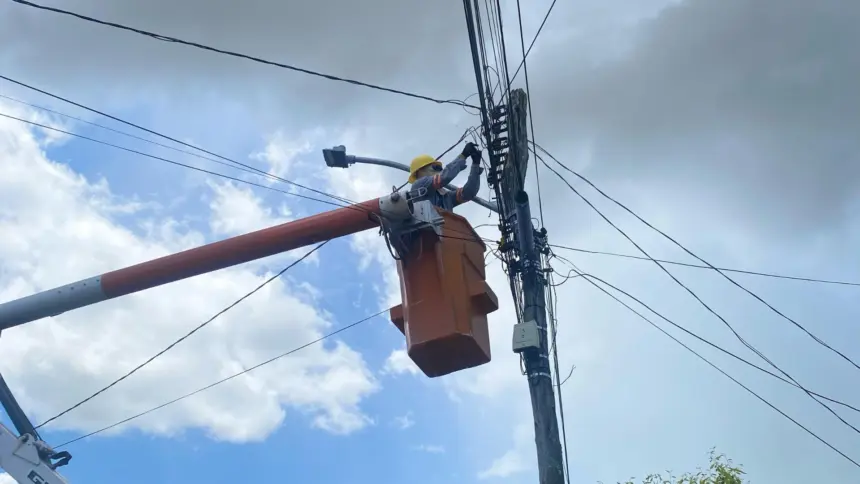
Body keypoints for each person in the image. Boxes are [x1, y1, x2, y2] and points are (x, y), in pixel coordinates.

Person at [408, 142, 483, 211]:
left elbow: (468, 193)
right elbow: (443, 177)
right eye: (436, 167)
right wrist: (463, 155)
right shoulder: (418, 186)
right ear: (419, 171)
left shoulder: (446, 197)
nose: (439, 170)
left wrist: (475, 165)